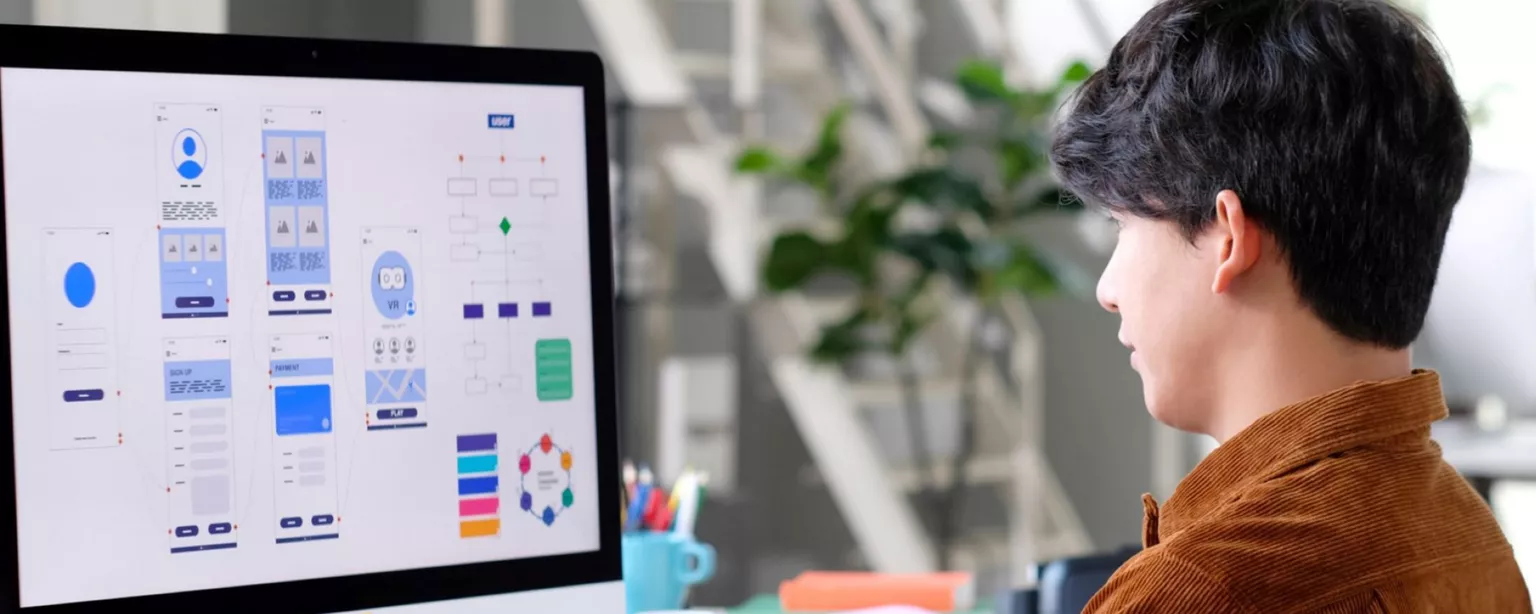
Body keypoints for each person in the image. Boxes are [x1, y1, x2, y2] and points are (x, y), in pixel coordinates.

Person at [1050, 0, 1534, 611]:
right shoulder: (1472, 536)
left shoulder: (1201, 589)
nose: (1107, 289)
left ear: (1228, 237)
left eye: (1123, 226)